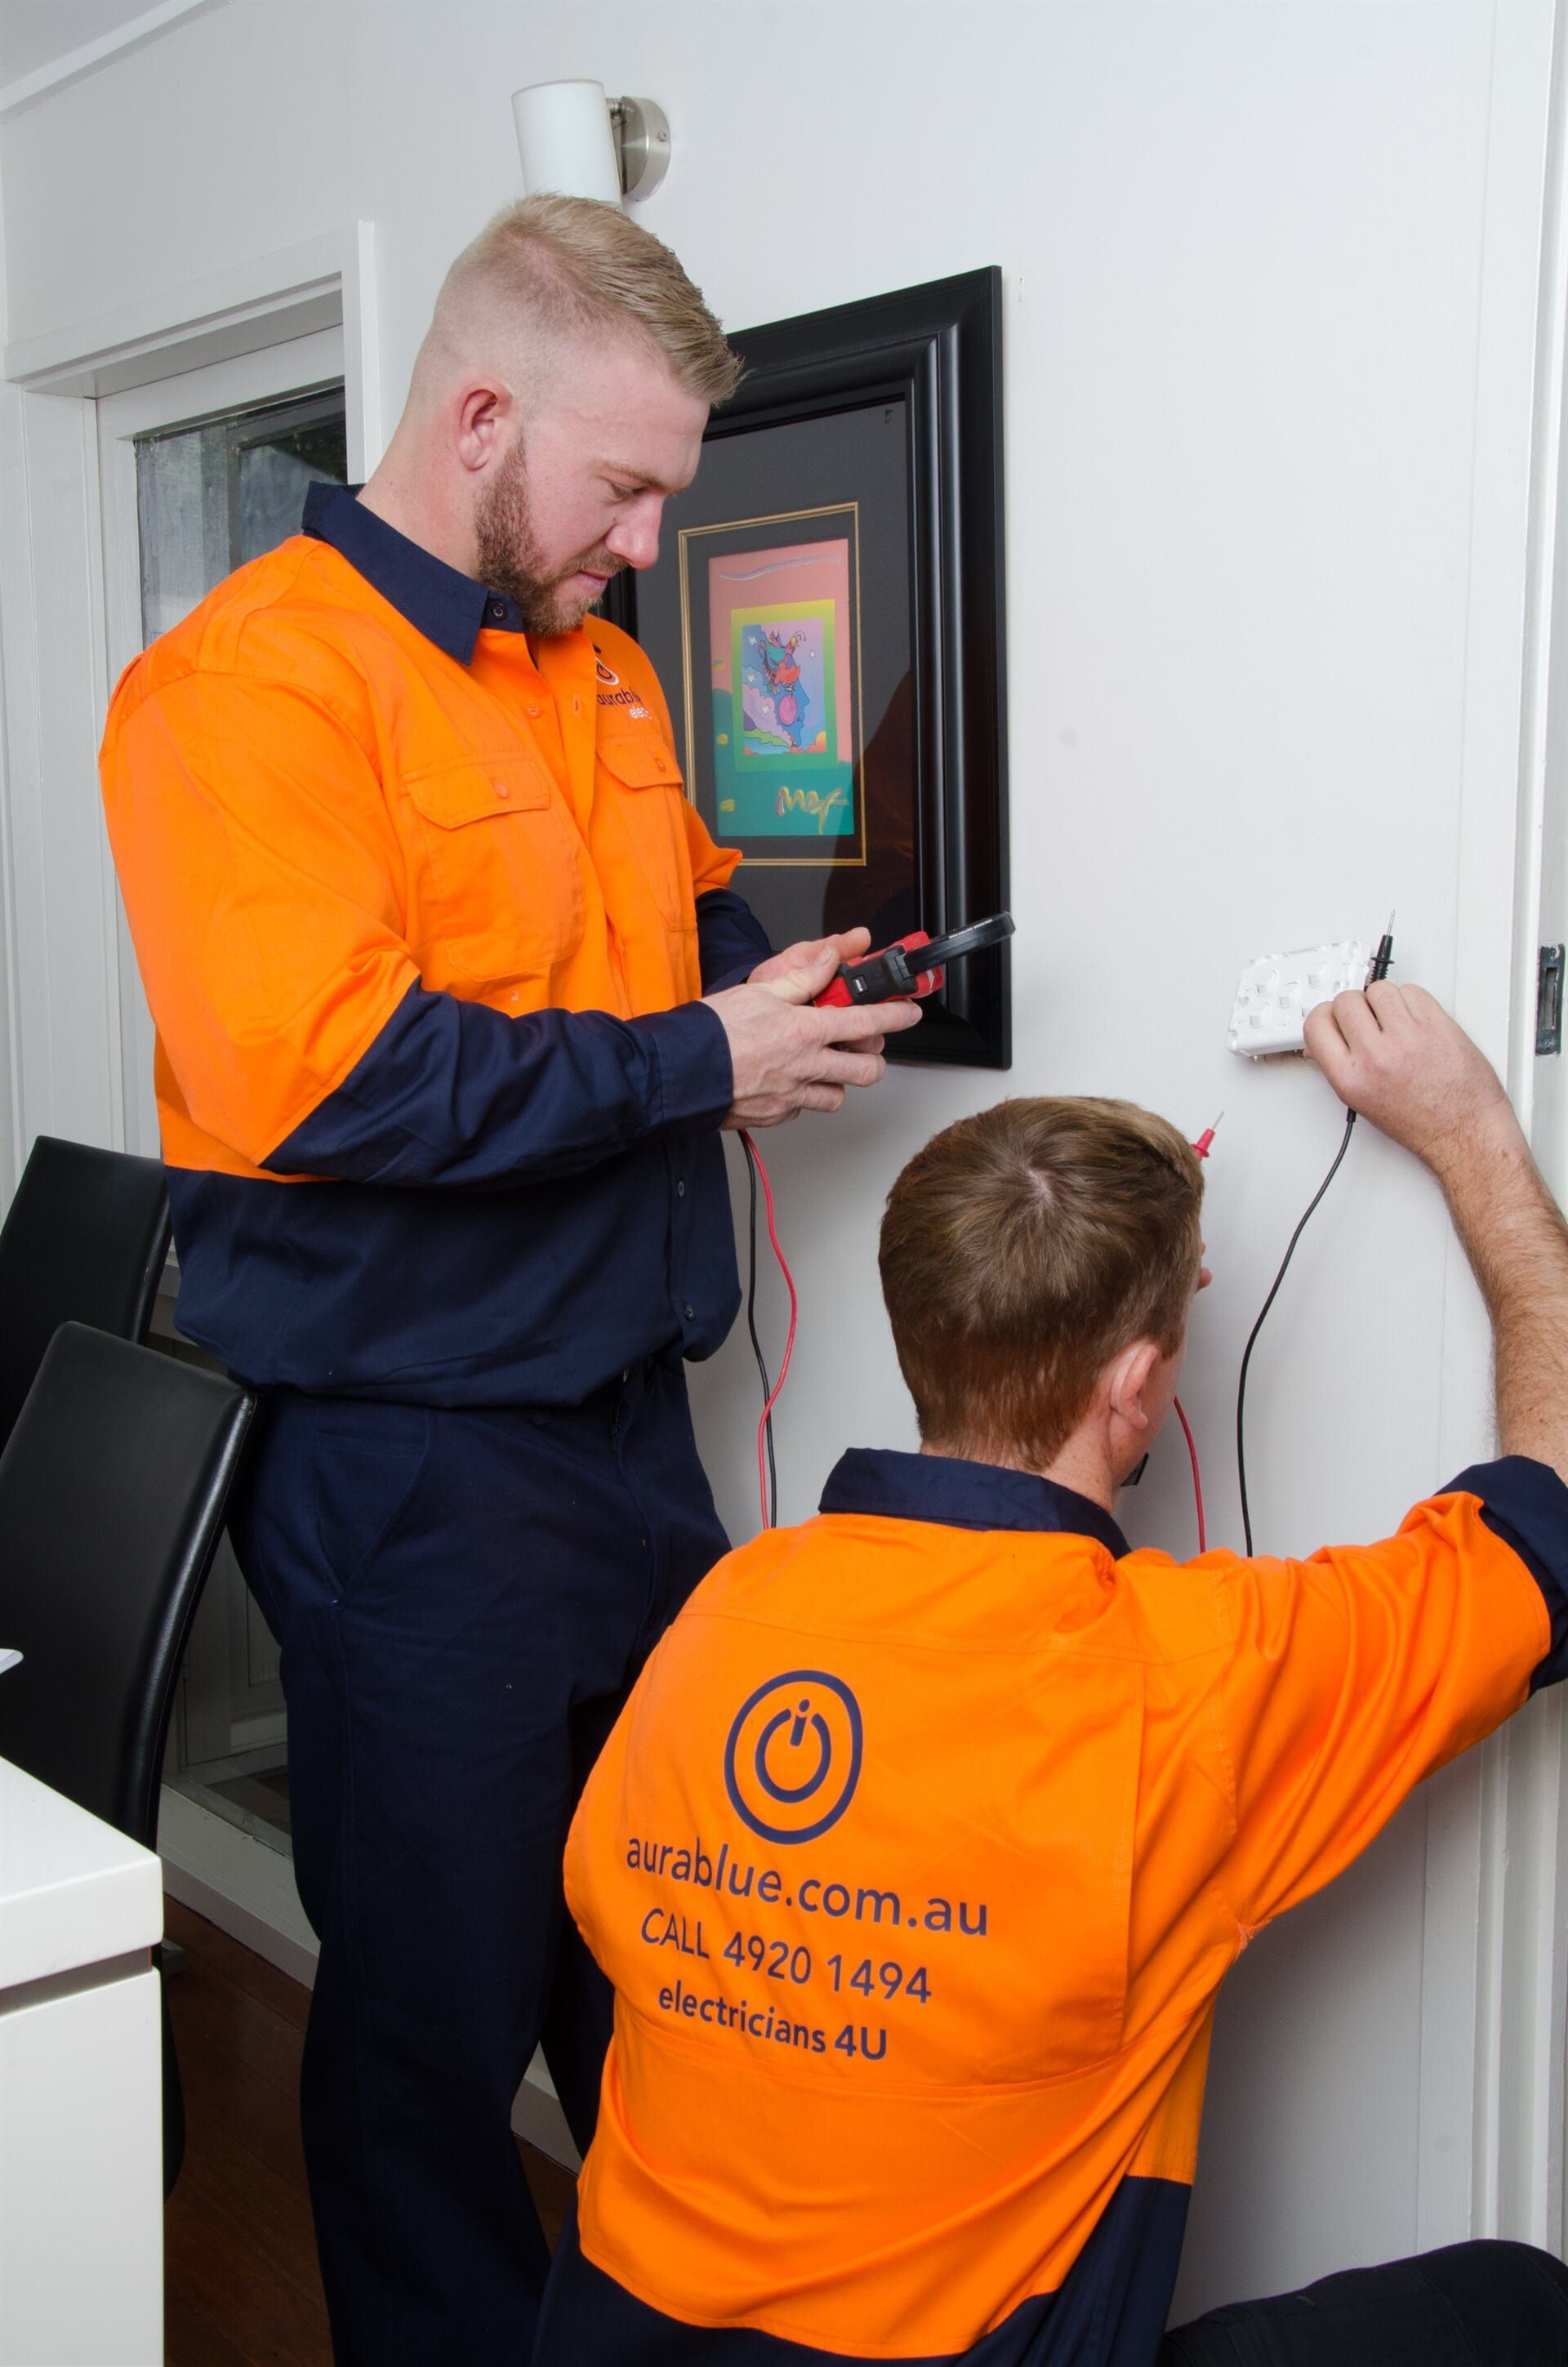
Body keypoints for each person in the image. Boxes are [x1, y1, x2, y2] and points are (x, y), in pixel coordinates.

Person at [99, 194, 917, 2365]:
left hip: (625, 1441)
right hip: (407, 1469)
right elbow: (340, 1079)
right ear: (479, 415)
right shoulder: (237, 688)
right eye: (627, 485)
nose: (647, 539)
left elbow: (694, 927)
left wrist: (782, 1000)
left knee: (669, 1953)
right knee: (435, 2035)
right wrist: (688, 1062)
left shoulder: (607, 671)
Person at [537, 980, 1568, 2367]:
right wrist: (1475, 1136)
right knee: (1516, 2301)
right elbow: (1549, 1516)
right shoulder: (1191, 1676)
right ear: (1137, 1386)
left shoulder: (729, 1605)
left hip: (608, 2336)